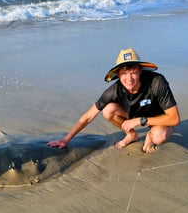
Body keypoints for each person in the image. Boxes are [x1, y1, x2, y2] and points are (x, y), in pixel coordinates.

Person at [47, 47, 180, 153]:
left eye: (133, 72)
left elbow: (174, 118)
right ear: (118, 74)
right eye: (124, 73)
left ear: (140, 71)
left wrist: (140, 121)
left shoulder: (157, 82)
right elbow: (88, 116)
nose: (129, 78)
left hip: (160, 118)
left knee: (159, 136)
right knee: (108, 110)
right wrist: (65, 140)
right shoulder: (114, 90)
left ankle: (150, 137)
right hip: (136, 114)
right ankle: (131, 135)